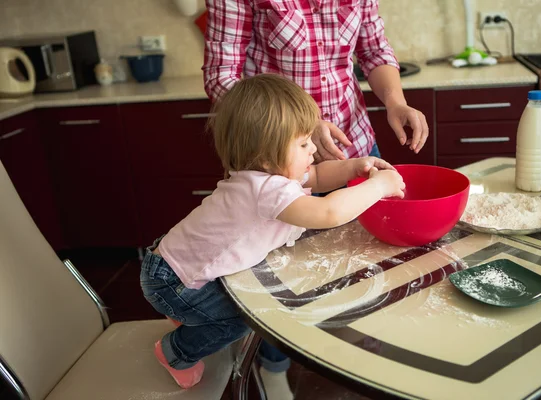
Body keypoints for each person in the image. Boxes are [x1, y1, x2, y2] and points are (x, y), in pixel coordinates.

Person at [140, 74, 405, 396]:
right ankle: (176, 351)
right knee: (244, 319)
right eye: (304, 143)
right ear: (267, 156)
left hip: (173, 267)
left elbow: (318, 175)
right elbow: (328, 213)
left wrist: (354, 168)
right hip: (175, 284)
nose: (313, 151)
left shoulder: (267, 175)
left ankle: (190, 315)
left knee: (239, 305)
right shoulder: (266, 191)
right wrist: (378, 186)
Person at [202, 0, 429, 164]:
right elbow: (220, 77)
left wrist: (395, 102)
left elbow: (375, 51)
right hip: (279, 158)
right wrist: (301, 126)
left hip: (355, 146)